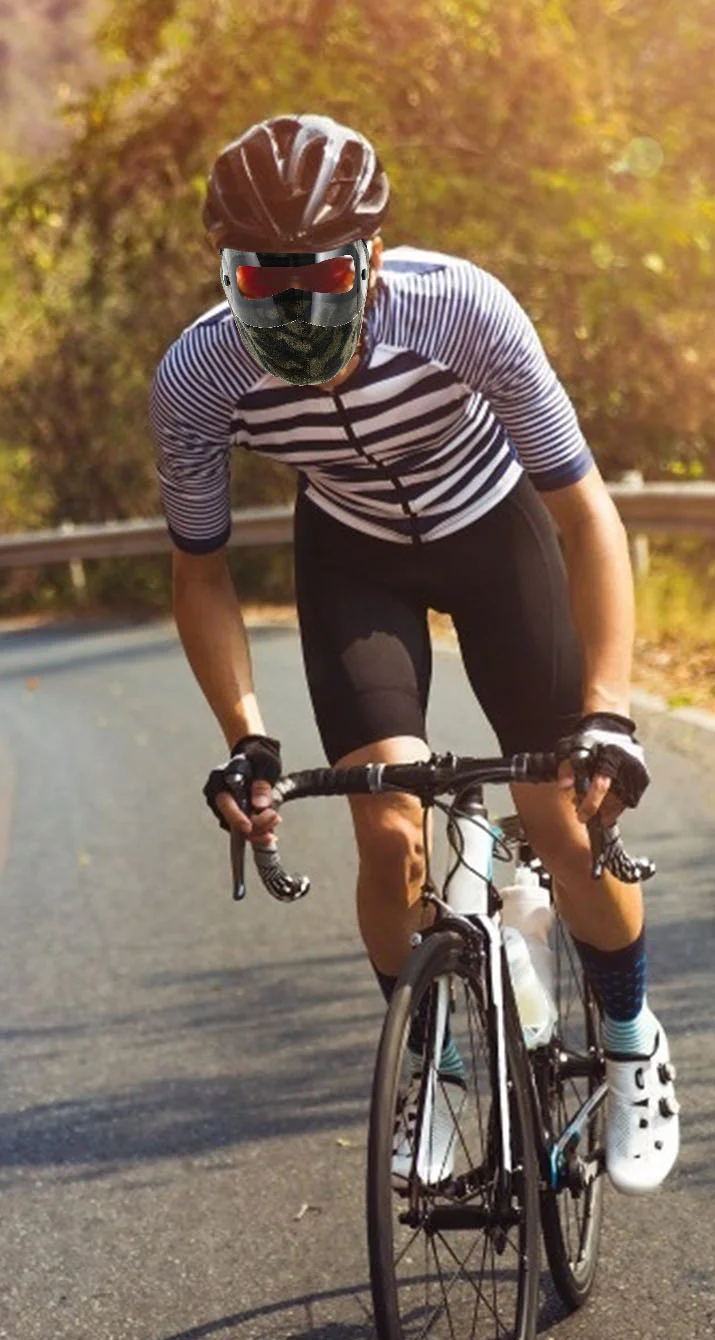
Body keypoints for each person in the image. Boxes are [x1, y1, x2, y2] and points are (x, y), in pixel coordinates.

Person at [149, 113, 678, 1193]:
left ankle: (631, 1041)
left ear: (373, 258)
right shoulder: (197, 378)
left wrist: (607, 708)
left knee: (559, 821)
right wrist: (247, 738)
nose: (294, 308)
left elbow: (584, 515)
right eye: (262, 284)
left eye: (321, 276)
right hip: (354, 560)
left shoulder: (461, 310)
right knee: (386, 829)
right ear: (226, 274)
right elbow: (200, 571)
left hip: (495, 535)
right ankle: (433, 1070)